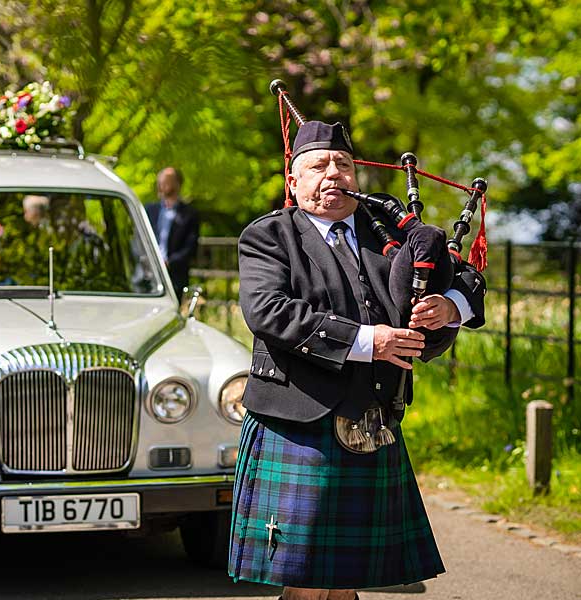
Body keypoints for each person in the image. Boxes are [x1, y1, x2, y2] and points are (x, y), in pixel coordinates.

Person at [228, 121, 486, 600]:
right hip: (296, 417)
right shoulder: (270, 236)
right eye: (318, 166)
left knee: (346, 581)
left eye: (343, 165)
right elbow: (268, 312)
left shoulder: (390, 234)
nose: (333, 174)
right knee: (304, 582)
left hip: (374, 417)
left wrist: (451, 306)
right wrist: (369, 341)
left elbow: (467, 278)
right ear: (294, 182)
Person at [145, 167, 199, 300]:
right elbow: (138, 239)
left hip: (174, 275)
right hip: (148, 273)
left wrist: (169, 263)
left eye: (166, 181)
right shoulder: (150, 210)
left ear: (177, 184)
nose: (161, 185)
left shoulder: (189, 214)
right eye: (160, 181)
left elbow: (190, 247)